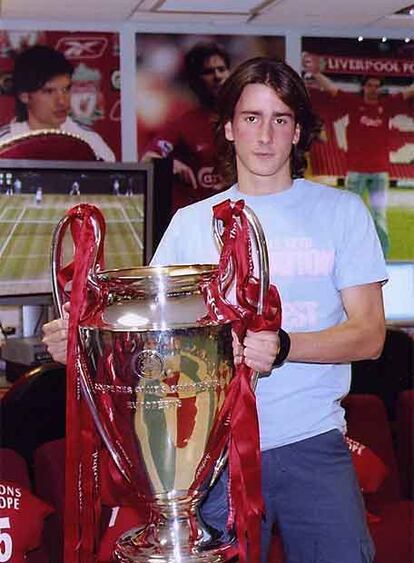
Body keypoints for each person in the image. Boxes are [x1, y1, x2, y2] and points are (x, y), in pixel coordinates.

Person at [42, 57, 387, 562]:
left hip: (311, 443)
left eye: (280, 119)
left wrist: (286, 345)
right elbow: (152, 343)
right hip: (208, 457)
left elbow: (370, 335)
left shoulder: (341, 213)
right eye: (251, 118)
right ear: (229, 128)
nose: (265, 134)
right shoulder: (190, 224)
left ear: (298, 133)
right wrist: (81, 343)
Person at [303, 53, 414, 256]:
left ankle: (382, 255)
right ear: (364, 87)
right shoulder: (353, 104)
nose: (373, 88)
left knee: (379, 215)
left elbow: (408, 92)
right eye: (370, 85)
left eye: (376, 85)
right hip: (356, 172)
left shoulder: (386, 106)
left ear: (380, 88)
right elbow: (332, 89)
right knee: (349, 213)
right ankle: (346, 251)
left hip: (380, 172)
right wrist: (317, 73)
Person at [141, 41, 231, 212]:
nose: (218, 76)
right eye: (208, 72)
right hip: (201, 218)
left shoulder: (244, 119)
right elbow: (148, 157)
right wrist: (171, 164)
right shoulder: (183, 124)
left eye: (222, 69)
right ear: (194, 81)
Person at [0, 45, 115, 162]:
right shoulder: (4, 144)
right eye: (49, 91)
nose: (62, 101)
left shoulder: (91, 141)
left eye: (66, 89)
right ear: (24, 96)